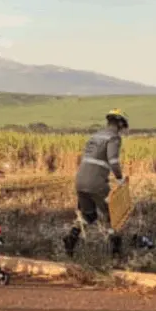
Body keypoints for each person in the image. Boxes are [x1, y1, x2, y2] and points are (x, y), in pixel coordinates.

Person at [63, 109, 128, 256]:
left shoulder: (95, 136)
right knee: (113, 215)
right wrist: (119, 178)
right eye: (122, 126)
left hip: (80, 180)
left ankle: (71, 238)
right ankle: (116, 252)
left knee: (88, 216)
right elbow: (113, 161)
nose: (122, 129)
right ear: (119, 123)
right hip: (95, 183)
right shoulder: (113, 138)